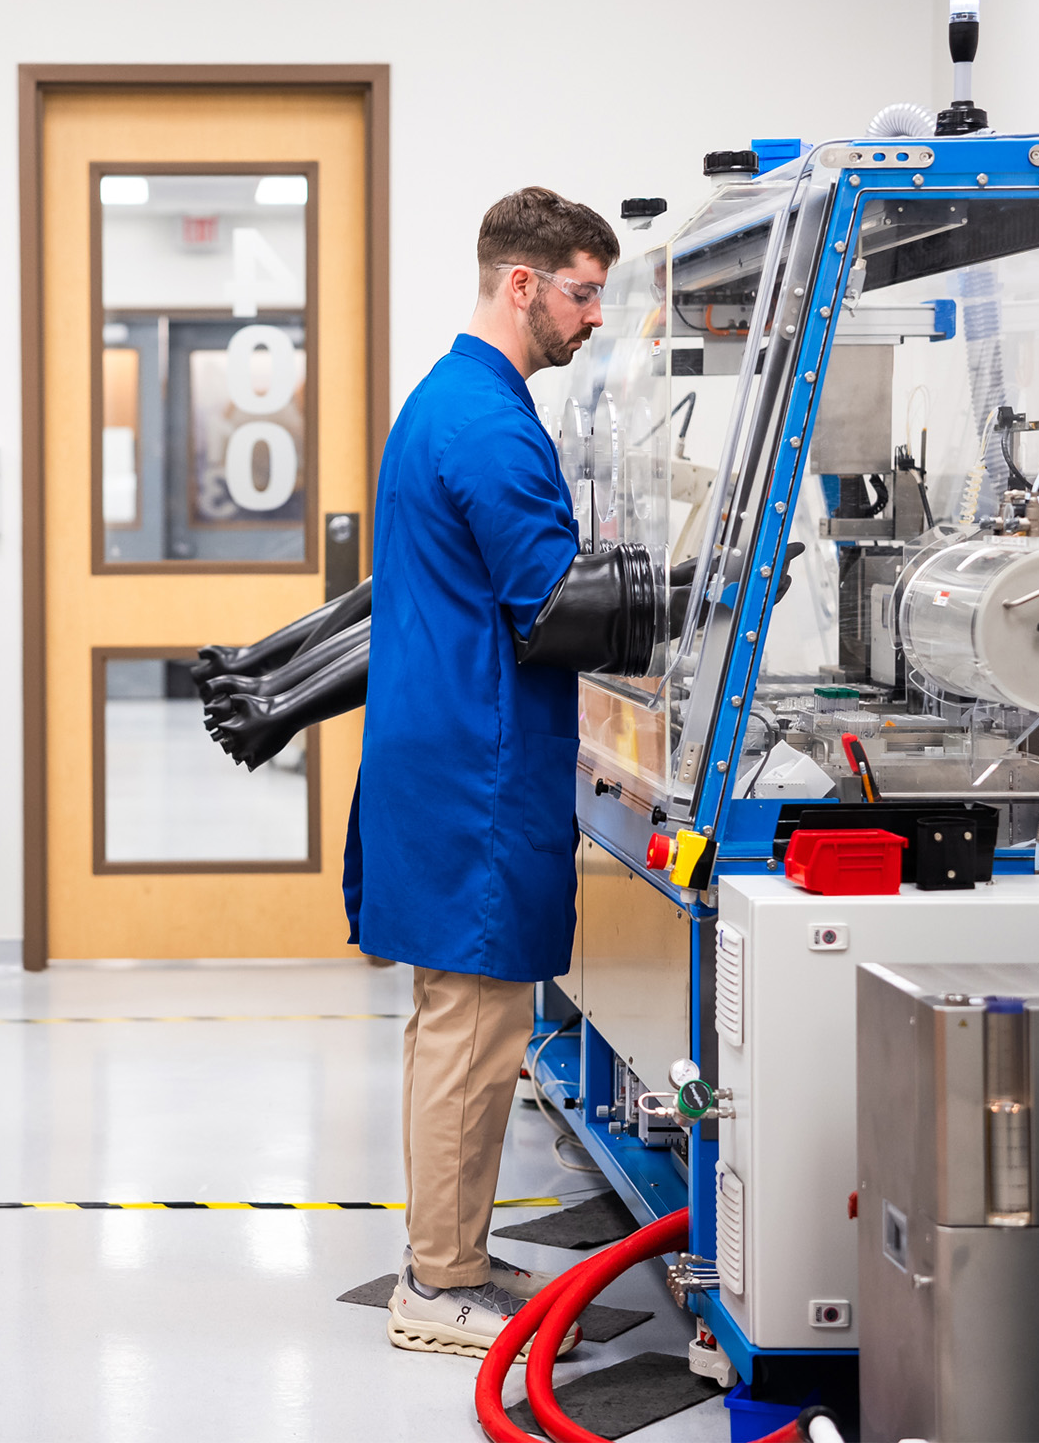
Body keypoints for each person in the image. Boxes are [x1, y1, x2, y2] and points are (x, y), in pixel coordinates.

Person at [355, 187, 618, 1357]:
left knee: (459, 1023)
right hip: (479, 764)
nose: (594, 317)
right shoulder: (489, 422)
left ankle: (450, 1256)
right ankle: (437, 1288)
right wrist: (674, 599)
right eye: (582, 290)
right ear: (523, 285)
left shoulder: (454, 400)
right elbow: (556, 603)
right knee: (472, 1028)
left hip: (450, 747)